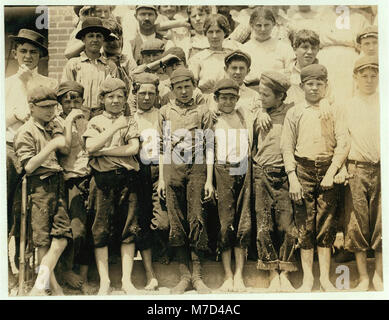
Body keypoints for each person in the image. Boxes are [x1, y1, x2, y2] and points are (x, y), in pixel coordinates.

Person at [83, 78, 157, 295]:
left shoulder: (130, 121)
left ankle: (126, 280)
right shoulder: (95, 120)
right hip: (102, 181)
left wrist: (103, 152)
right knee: (100, 230)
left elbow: (133, 149)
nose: (115, 101)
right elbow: (90, 146)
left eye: (120, 97)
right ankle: (105, 281)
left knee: (129, 230)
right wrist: (114, 129)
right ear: (102, 99)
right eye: (111, 97)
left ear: (126, 99)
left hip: (127, 179)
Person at [280, 64, 350, 292]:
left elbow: (343, 142)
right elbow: (287, 147)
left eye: (319, 84)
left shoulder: (334, 109)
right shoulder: (294, 112)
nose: (314, 88)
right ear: (301, 86)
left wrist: (332, 172)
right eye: (310, 84)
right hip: (303, 169)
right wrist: (293, 177)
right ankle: (308, 278)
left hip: (328, 169)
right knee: (305, 226)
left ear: (325, 85)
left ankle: (325, 279)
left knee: (326, 226)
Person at [6, 29, 58, 288]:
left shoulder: (48, 83)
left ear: (40, 56)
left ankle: (38, 270)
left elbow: (53, 117)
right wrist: (17, 115)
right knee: (10, 211)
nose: (28, 56)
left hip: (40, 153)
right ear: (14, 53)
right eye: (23, 51)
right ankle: (8, 271)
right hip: (10, 150)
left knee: (37, 212)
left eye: (33, 52)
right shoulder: (5, 84)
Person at [157, 68, 214, 294]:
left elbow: (209, 146)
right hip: (173, 166)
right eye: (178, 87)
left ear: (193, 87)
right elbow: (162, 147)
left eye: (187, 87)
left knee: (197, 217)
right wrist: (162, 178)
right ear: (171, 90)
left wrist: (209, 180)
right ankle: (184, 276)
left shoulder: (203, 111)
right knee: (176, 219)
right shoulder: (164, 112)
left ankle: (198, 277)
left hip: (197, 166)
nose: (183, 91)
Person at [14, 86, 72, 296]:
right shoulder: (26, 131)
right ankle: (52, 288)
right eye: (45, 107)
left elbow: (65, 146)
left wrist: (65, 127)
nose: (50, 111)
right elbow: (28, 166)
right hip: (39, 186)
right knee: (42, 240)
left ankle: (40, 286)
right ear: (31, 107)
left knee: (62, 237)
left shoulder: (51, 126)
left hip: (56, 183)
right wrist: (51, 145)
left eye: (53, 107)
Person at [252, 71, 298, 292]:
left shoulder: (291, 111)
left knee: (287, 224)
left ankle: (286, 272)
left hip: (285, 174)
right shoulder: (257, 111)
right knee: (264, 225)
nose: (262, 97)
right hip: (262, 172)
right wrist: (261, 109)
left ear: (280, 97)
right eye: (260, 94)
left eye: (267, 95)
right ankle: (272, 272)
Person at [343, 56, 382, 291]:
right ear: (355, 78)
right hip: (356, 168)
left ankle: (378, 274)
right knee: (356, 224)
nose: (369, 80)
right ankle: (363, 277)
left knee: (381, 222)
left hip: (380, 169)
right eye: (364, 75)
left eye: (373, 75)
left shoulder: (383, 102)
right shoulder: (347, 105)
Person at [211, 79, 251, 292]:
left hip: (242, 169)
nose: (228, 101)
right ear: (216, 99)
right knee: (226, 225)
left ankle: (239, 276)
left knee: (242, 223)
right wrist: (211, 181)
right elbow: (209, 150)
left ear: (237, 98)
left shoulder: (243, 115)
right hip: (223, 169)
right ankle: (228, 275)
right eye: (223, 97)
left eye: (232, 97)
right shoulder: (212, 118)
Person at [56, 81, 95, 294]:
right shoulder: (56, 122)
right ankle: (66, 271)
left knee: (90, 229)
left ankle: (83, 276)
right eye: (67, 99)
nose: (71, 103)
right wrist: (69, 119)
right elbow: (63, 150)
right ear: (60, 103)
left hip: (89, 178)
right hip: (69, 180)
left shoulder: (89, 122)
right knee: (75, 229)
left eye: (76, 99)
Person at [132, 73, 170, 265]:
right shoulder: (130, 118)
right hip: (137, 171)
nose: (146, 97)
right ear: (135, 94)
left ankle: (160, 252)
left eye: (151, 93)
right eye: (142, 93)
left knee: (162, 222)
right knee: (139, 217)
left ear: (157, 95)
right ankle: (147, 264)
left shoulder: (162, 115)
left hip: (158, 170)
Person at [62, 17, 118, 119]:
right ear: (83, 39)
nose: (95, 40)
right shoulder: (73, 64)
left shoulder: (109, 66)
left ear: (103, 39)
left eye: (99, 36)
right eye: (91, 36)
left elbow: (114, 93)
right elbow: (65, 93)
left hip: (103, 115)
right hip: (78, 114)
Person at [242, 7, 294, 86]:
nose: (263, 29)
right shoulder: (244, 49)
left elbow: (290, 73)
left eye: (266, 25)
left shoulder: (284, 48)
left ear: (273, 24)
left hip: (277, 91)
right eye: (258, 25)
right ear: (251, 25)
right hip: (250, 91)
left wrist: (258, 76)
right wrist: (277, 73)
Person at [189, 14, 239, 94]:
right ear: (206, 33)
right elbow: (192, 85)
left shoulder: (233, 56)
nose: (214, 36)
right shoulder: (198, 58)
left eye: (218, 31)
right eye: (210, 32)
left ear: (225, 32)